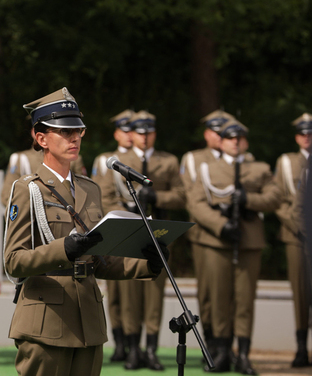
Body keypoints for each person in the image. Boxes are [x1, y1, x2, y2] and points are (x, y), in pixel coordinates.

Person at [3, 88, 164, 376]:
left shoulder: (90, 189)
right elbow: (14, 261)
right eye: (64, 131)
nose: (74, 137)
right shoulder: (28, 189)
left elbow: (100, 261)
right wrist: (63, 249)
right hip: (46, 320)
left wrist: (148, 264)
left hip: (88, 321)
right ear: (41, 139)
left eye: (78, 130)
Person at [186, 118, 281, 374]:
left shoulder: (259, 168)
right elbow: (196, 203)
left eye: (240, 138)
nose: (235, 142)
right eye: (230, 138)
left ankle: (244, 354)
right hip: (217, 241)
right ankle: (222, 352)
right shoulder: (207, 169)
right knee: (219, 298)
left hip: (248, 241)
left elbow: (275, 197)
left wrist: (249, 199)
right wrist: (221, 225)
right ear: (222, 142)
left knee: (245, 299)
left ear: (246, 142)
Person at [100, 111, 186, 371]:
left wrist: (158, 197)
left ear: (154, 134)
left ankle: (151, 349)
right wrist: (126, 211)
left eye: (149, 132)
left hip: (157, 233)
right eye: (139, 132)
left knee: (154, 295)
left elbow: (181, 196)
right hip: (129, 232)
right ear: (132, 135)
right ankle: (133, 348)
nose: (145, 137)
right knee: (129, 295)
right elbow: (105, 198)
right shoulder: (116, 162)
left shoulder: (168, 161)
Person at [179, 109, 234, 357]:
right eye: (215, 132)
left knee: (234, 293)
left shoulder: (241, 158)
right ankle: (211, 344)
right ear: (206, 134)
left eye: (224, 132)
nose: (220, 137)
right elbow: (192, 198)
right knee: (209, 293)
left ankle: (229, 346)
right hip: (205, 234)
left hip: (235, 235)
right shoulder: (194, 159)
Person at [90, 109, 133, 363]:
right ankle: (119, 343)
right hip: (115, 227)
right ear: (117, 133)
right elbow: (98, 195)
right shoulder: (105, 160)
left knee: (135, 291)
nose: (130, 136)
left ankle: (135, 344)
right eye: (126, 131)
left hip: (137, 226)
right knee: (115, 292)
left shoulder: (144, 160)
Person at [275, 113, 311, 367]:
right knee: (300, 293)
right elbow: (278, 200)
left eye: (310, 133)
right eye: (302, 133)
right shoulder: (287, 162)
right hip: (296, 233)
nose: (306, 137)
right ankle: (301, 348)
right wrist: (299, 226)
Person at [1, 124, 87, 208]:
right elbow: (8, 197)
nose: (76, 138)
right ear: (36, 134)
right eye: (65, 131)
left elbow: (82, 192)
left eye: (78, 131)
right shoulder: (21, 158)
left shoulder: (74, 158)